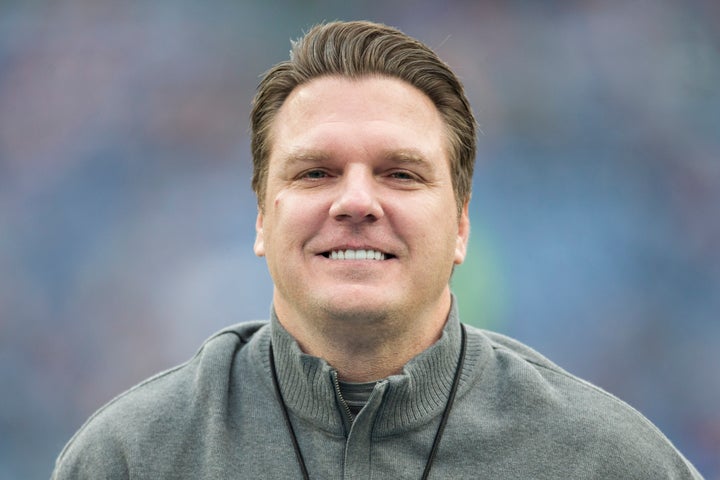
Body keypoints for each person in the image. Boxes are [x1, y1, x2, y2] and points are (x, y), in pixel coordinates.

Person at [52, 20, 703, 479]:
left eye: (401, 173)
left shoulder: (605, 462)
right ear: (259, 219)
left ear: (461, 227)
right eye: (315, 172)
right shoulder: (129, 458)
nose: (356, 202)